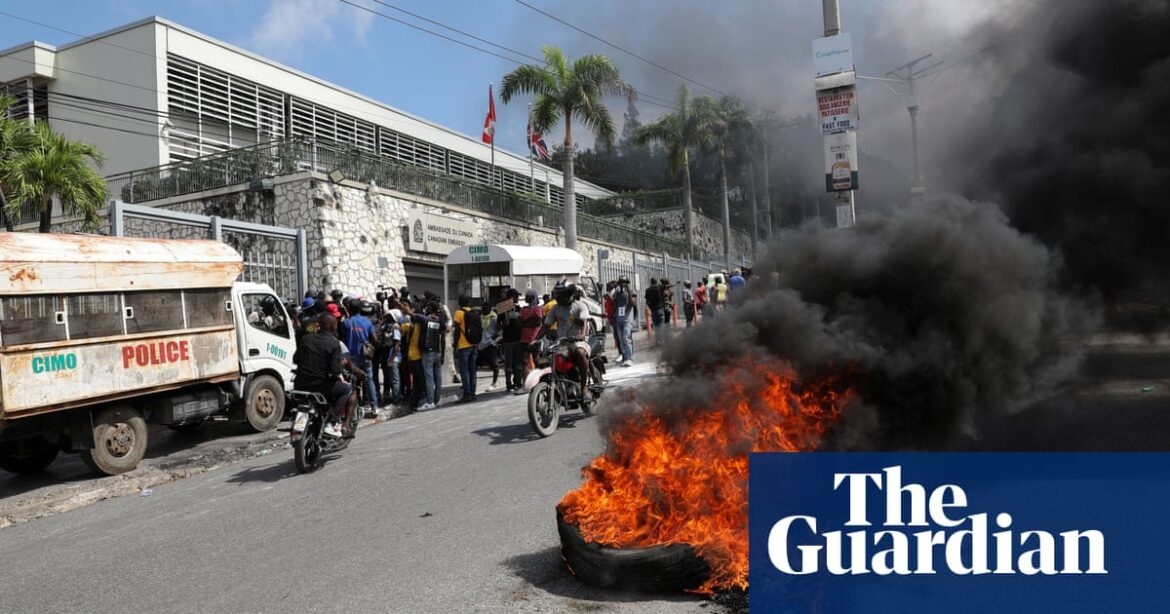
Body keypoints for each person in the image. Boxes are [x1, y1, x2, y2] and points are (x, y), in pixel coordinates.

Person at [533, 281, 592, 407]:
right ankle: (561, 387)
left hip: (579, 342)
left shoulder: (580, 306)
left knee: (580, 353)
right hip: (562, 344)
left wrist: (581, 335)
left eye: (561, 295)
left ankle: (584, 387)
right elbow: (545, 327)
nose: (558, 298)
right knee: (548, 358)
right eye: (557, 295)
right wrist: (535, 340)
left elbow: (585, 325)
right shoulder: (556, 309)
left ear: (569, 294)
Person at [293, 314, 350, 438]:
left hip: (300, 384)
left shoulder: (306, 339)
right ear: (332, 326)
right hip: (320, 386)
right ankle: (331, 423)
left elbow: (295, 359)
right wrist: (341, 364)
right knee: (346, 389)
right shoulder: (334, 344)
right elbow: (335, 371)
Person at [341, 300, 379, 414]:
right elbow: (375, 339)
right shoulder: (367, 322)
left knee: (352, 382)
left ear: (348, 309)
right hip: (365, 356)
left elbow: (342, 340)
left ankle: (354, 408)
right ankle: (374, 407)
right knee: (369, 380)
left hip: (351, 359)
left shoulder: (346, 323)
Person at [452, 295, 480, 402]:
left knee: (464, 371)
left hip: (463, 346)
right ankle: (473, 393)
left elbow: (457, 331)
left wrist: (455, 346)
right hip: (474, 345)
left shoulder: (458, 313)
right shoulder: (474, 313)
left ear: (459, 302)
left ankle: (466, 394)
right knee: (472, 370)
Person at [499, 288, 526, 394]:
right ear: (511, 298)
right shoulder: (502, 309)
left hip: (518, 339)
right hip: (508, 340)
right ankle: (508, 383)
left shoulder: (519, 309)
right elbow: (498, 324)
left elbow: (523, 323)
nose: (517, 298)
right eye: (516, 296)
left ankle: (518, 382)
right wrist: (504, 323)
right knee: (509, 363)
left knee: (518, 363)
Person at [518, 289, 544, 384]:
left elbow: (537, 321)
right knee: (528, 361)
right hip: (529, 338)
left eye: (527, 296)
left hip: (531, 338)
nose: (525, 298)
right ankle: (530, 382)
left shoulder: (534, 309)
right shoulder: (528, 309)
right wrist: (530, 320)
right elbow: (534, 322)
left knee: (534, 361)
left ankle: (536, 382)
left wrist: (525, 322)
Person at [477, 298, 502, 392]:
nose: (483, 310)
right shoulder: (480, 317)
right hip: (481, 344)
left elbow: (499, 330)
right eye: (482, 309)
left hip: (491, 344)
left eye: (485, 309)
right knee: (477, 364)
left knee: (494, 364)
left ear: (490, 309)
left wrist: (494, 338)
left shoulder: (494, 317)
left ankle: (494, 383)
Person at [610, 276, 635, 366]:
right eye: (621, 282)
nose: (622, 284)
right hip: (619, 319)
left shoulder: (631, 291)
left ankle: (629, 358)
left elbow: (632, 303)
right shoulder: (617, 291)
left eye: (624, 282)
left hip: (628, 318)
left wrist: (628, 292)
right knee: (621, 339)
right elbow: (615, 304)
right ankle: (625, 358)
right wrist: (612, 315)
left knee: (626, 337)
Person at [644, 278, 665, 344]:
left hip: (653, 309)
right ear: (656, 282)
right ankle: (662, 339)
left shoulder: (647, 290)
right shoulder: (660, 288)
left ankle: (658, 340)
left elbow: (647, 301)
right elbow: (666, 285)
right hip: (660, 308)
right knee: (661, 324)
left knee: (656, 325)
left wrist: (650, 307)